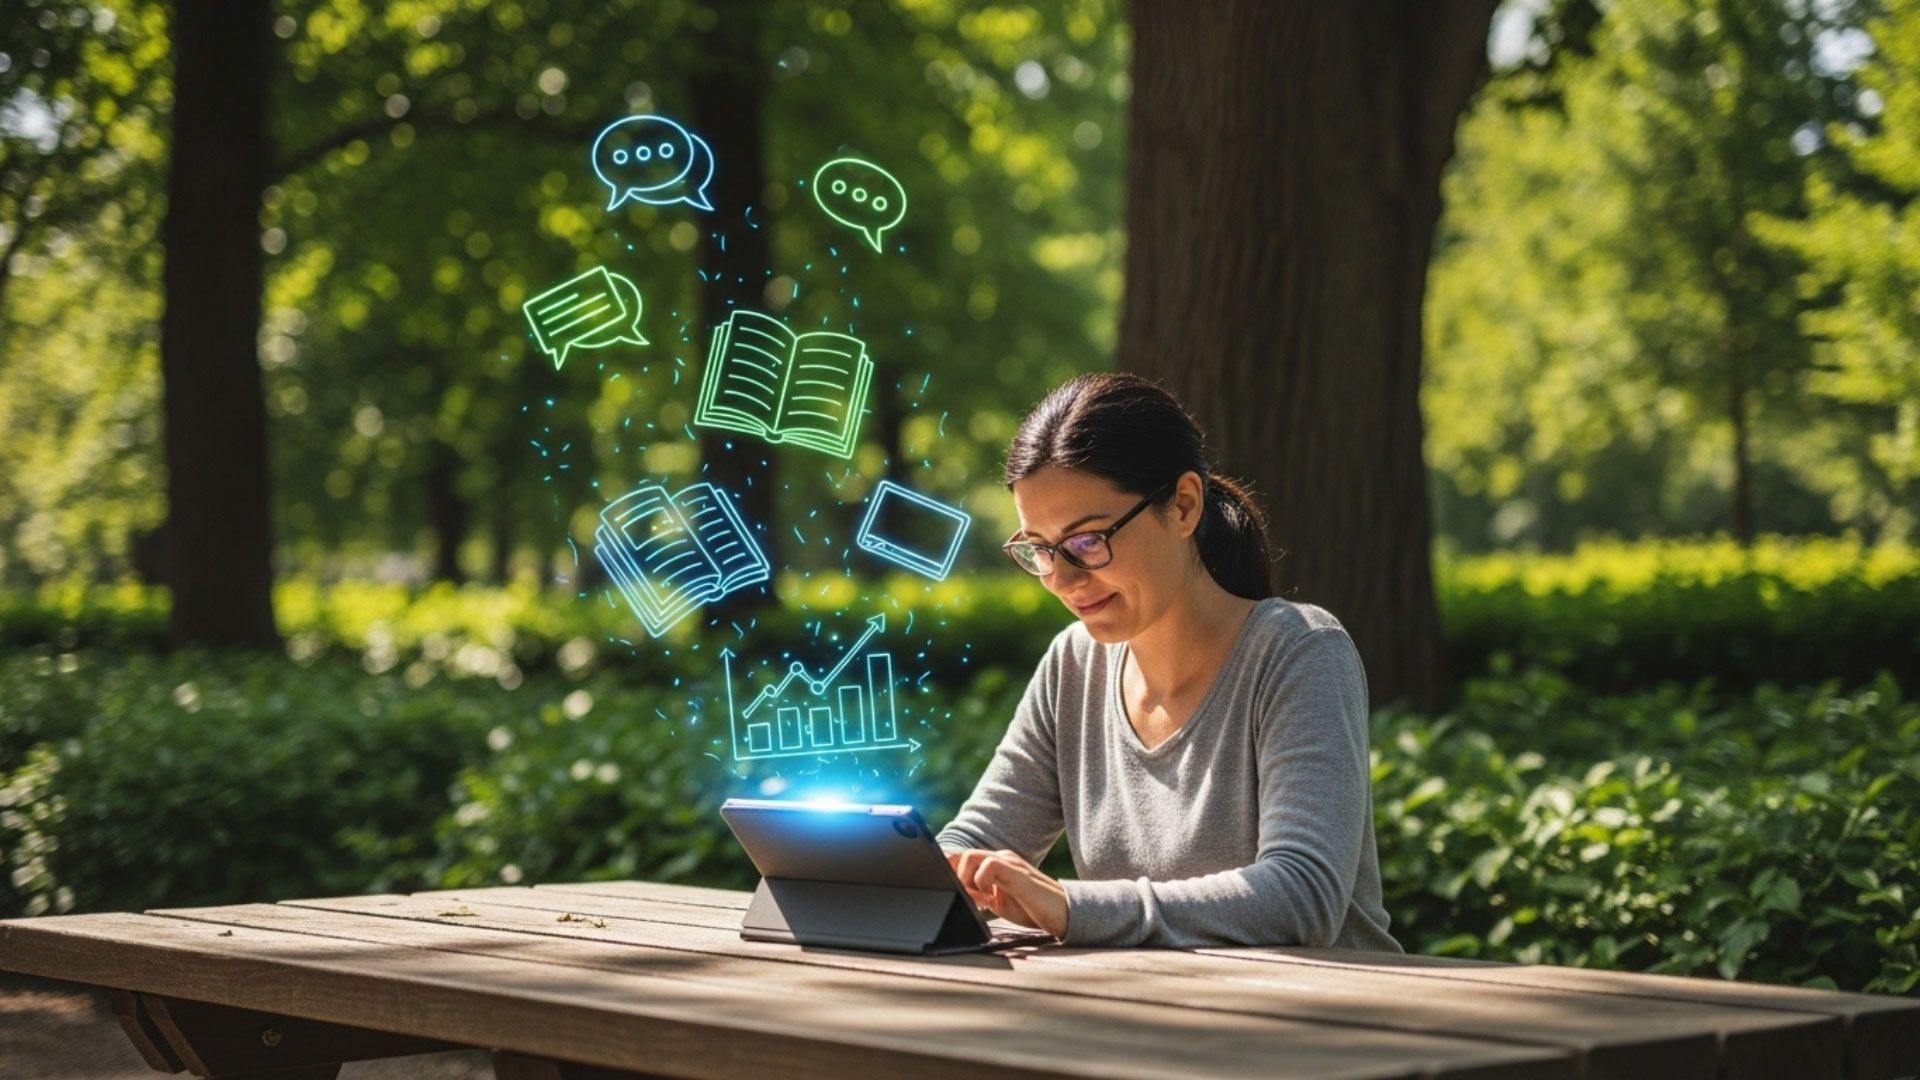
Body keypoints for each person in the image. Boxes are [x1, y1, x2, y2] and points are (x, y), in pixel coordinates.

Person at [936, 373, 1401, 951]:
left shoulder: (1299, 652)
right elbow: (975, 842)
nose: (1063, 580)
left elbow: (1302, 898)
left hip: (1330, 1026)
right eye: (1040, 549)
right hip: (1157, 1018)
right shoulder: (1074, 666)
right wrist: (891, 876)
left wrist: (1072, 906)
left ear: (1183, 505)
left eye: (1087, 541)